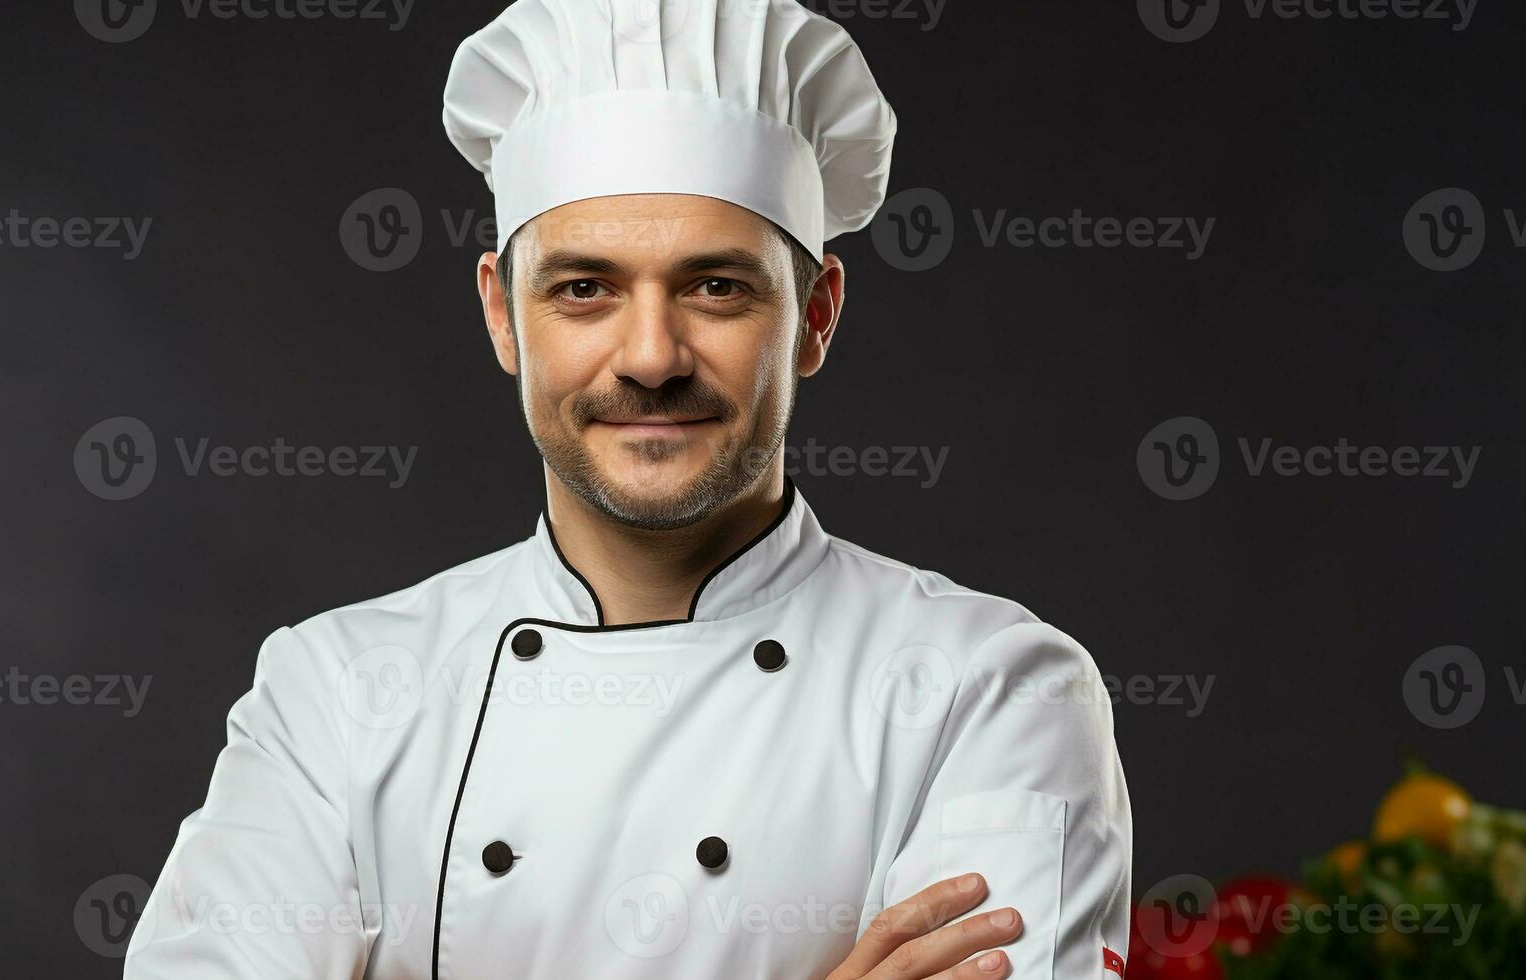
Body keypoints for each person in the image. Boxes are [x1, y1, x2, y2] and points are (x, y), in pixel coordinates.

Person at [126, 2, 1132, 978]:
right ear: (501, 315)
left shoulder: (990, 687)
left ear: (815, 313)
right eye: (583, 289)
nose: (650, 356)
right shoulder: (333, 693)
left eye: (715, 286)